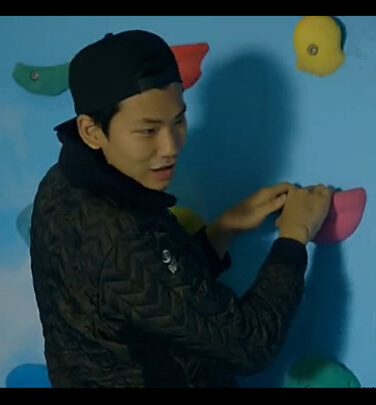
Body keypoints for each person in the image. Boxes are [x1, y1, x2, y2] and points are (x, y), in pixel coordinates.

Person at [29, 29, 333, 388]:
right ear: (91, 131)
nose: (171, 147)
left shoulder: (61, 181)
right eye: (148, 131)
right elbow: (250, 344)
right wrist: (294, 237)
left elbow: (152, 296)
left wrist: (225, 228)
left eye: (178, 121)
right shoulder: (121, 237)